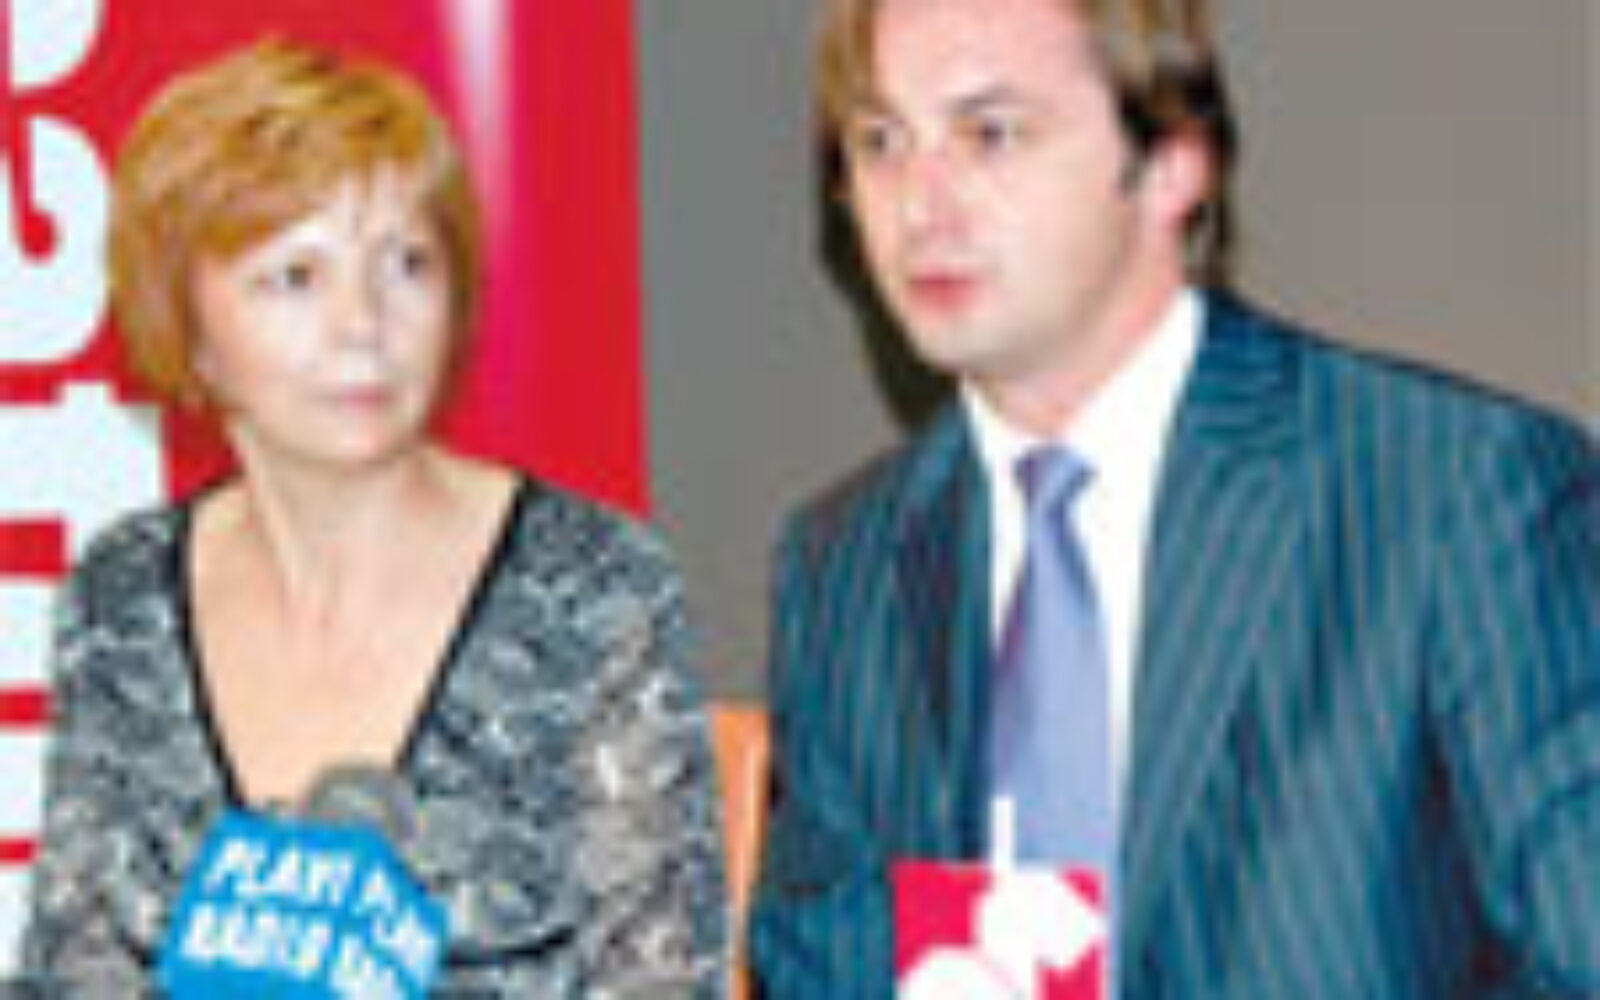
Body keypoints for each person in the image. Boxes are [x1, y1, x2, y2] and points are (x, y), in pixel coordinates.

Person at [747, 0, 1600, 994]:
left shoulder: (1453, 491)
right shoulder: (844, 564)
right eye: (880, 142)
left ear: (1170, 165)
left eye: (989, 134)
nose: (919, 205)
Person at [17, 38, 726, 995]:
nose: (363, 326)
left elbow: (660, 980)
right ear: (189, 327)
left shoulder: (598, 589)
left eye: (406, 264)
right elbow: (72, 971)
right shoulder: (122, 595)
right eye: (296, 277)